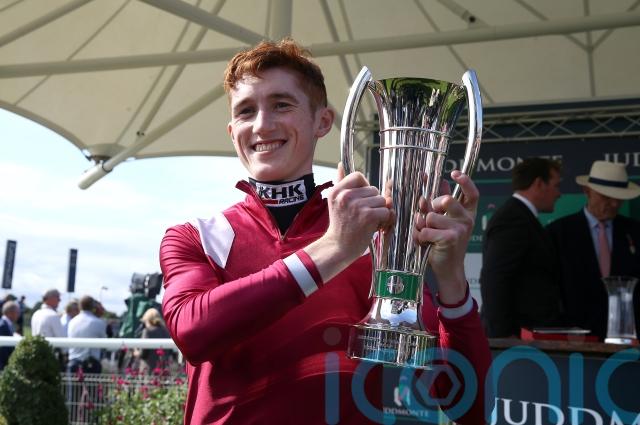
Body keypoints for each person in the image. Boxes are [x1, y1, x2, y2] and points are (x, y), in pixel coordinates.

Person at [160, 38, 491, 425]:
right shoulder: (197, 237)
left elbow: (468, 407)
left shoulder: (376, 242)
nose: (262, 124)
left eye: (282, 104)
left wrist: (452, 280)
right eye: (246, 111)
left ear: (323, 121)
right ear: (233, 132)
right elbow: (193, 332)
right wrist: (333, 248)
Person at [547, 160, 640, 341]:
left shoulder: (635, 232)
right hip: (575, 339)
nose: (614, 203)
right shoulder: (558, 233)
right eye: (606, 197)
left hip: (628, 339)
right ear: (587, 191)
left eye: (619, 198)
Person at [479, 157, 564, 337]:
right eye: (556, 186)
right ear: (539, 183)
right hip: (514, 340)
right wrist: (504, 337)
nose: (559, 194)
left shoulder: (521, 216)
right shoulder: (513, 219)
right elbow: (495, 279)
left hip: (526, 336)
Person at [67, 295, 107, 373]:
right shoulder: (99, 322)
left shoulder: (72, 322)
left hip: (74, 362)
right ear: (93, 307)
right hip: (92, 365)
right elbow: (104, 344)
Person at [135, 308, 172, 373]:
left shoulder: (147, 331)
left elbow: (143, 354)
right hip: (163, 370)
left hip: (148, 370)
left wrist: (135, 352)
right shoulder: (166, 332)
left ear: (147, 320)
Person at [0, 301, 20, 370]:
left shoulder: (6, 323)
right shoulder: (2, 326)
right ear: (10, 312)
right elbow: (3, 350)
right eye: (17, 312)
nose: (18, 315)